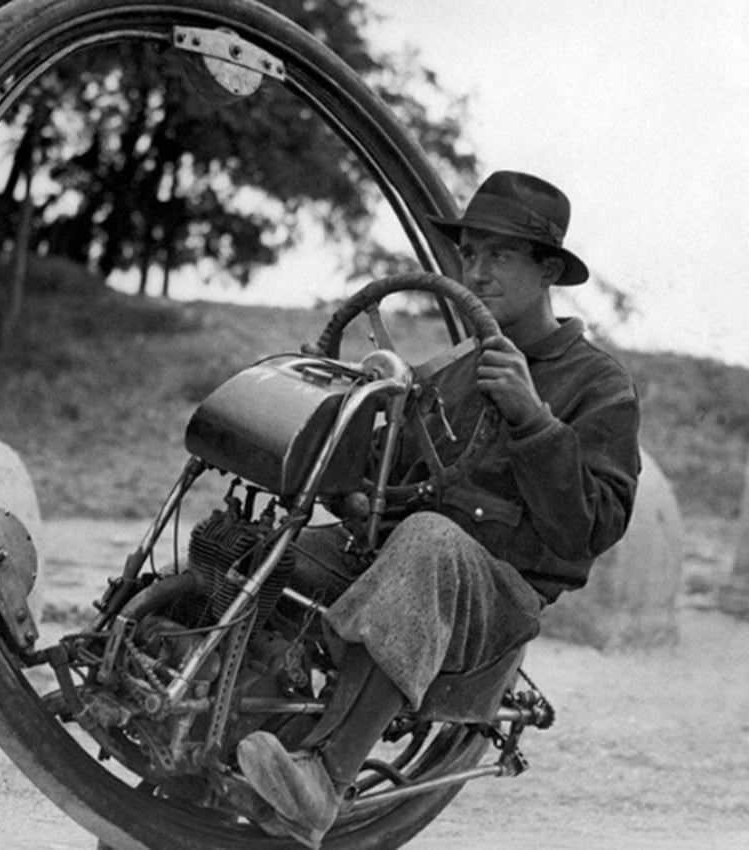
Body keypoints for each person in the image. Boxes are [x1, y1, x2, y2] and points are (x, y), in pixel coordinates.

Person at [236, 171, 642, 848]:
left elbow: (588, 531)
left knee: (430, 538)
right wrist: (360, 475)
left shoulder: (596, 383)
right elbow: (396, 481)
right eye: (470, 254)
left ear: (548, 271)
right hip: (411, 563)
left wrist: (535, 421)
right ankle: (190, 738)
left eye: (500, 256)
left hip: (498, 597)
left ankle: (322, 781)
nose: (478, 272)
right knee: (254, 547)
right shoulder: (452, 369)